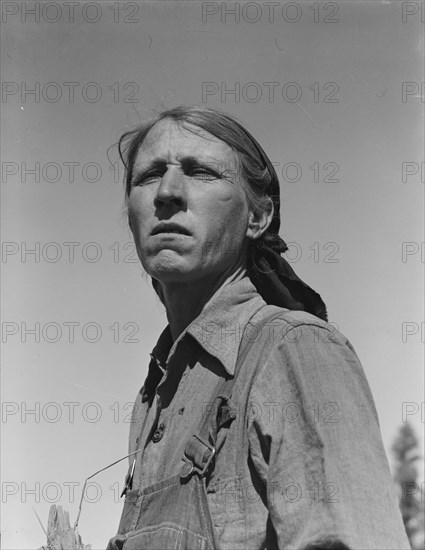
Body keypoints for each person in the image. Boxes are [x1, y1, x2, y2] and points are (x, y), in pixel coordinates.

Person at [107, 106, 409, 550]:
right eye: (148, 176)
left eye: (201, 171)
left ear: (257, 218)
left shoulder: (293, 348)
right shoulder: (155, 394)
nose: (167, 192)